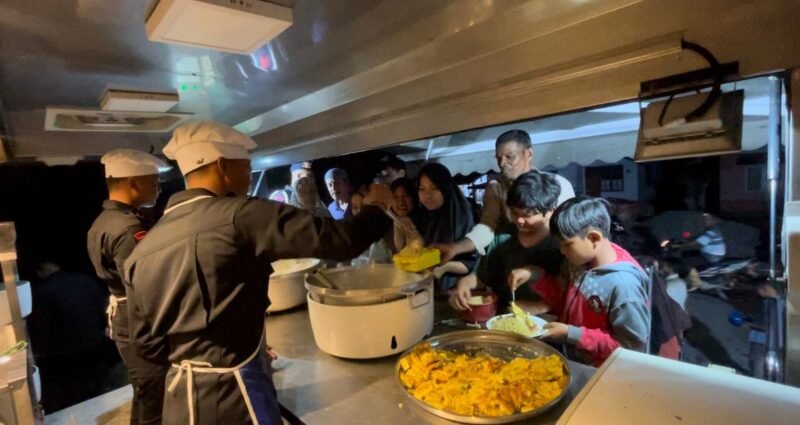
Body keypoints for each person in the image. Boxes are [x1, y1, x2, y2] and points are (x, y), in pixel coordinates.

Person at [122, 121, 392, 425]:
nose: (249, 177)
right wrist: (377, 206)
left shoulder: (142, 251)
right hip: (236, 394)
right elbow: (341, 241)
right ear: (223, 166)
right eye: (247, 167)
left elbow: (146, 347)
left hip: (179, 399)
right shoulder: (242, 214)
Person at [86, 149, 170, 425]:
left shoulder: (103, 221)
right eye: (154, 182)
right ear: (134, 183)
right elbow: (144, 286)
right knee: (154, 398)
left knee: (144, 392)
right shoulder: (127, 228)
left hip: (124, 317)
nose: (159, 188)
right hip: (138, 321)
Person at [525, 197, 650, 366]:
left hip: (601, 370)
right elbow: (564, 299)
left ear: (594, 238)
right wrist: (537, 277)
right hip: (572, 358)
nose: (561, 251)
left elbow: (630, 349)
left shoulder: (624, 286)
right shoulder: (578, 262)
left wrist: (572, 334)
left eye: (567, 244)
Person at [433, 129, 575, 263]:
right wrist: (455, 248)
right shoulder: (495, 188)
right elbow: (487, 228)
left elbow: (570, 233)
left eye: (510, 157)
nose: (502, 164)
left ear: (529, 154)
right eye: (499, 158)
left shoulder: (559, 185)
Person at [450, 170, 565, 314]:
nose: (519, 220)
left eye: (527, 215)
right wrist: (464, 284)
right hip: (504, 316)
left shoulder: (563, 242)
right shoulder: (503, 237)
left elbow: (570, 294)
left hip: (548, 320)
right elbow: (482, 276)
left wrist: (541, 306)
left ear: (551, 211)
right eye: (515, 213)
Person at [415, 163, 477, 291]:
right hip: (425, 288)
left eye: (434, 188)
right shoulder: (421, 216)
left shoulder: (461, 216)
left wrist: (445, 267)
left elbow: (473, 263)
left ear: (445, 188)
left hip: (456, 291)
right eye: (422, 189)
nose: (427, 195)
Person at [391, 177, 421, 253]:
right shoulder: (385, 227)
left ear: (414, 198)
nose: (401, 201)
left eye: (405, 195)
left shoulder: (426, 223)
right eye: (395, 197)